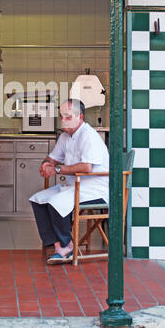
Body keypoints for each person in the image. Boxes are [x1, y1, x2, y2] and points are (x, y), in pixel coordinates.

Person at [29, 99, 109, 265]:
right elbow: (52, 158)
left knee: (55, 201)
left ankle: (67, 246)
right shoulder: (66, 136)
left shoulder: (88, 135)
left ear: (79, 117)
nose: (63, 119)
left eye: (67, 116)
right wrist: (46, 164)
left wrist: (57, 170)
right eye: (62, 116)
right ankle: (55, 245)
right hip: (76, 186)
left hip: (95, 189)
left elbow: (86, 167)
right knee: (38, 199)